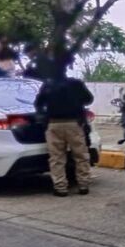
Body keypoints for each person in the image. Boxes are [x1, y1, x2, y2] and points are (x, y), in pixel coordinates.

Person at [35, 63, 94, 197]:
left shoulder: (47, 86)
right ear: (65, 70)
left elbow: (38, 104)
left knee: (56, 157)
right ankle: (83, 184)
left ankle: (60, 187)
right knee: (81, 155)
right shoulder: (75, 84)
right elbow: (89, 99)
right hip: (74, 123)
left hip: (54, 124)